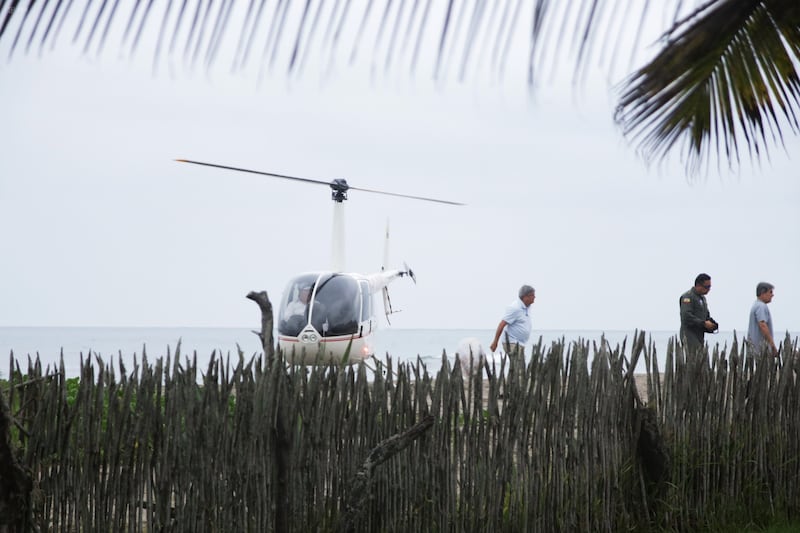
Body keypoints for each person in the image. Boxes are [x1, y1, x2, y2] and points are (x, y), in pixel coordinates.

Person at [489, 285, 536, 357]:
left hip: (520, 343)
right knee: (518, 366)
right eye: (532, 295)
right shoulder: (515, 308)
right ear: (525, 297)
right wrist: (495, 342)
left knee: (519, 366)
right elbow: (502, 324)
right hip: (512, 343)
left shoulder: (527, 307)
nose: (534, 297)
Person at [679, 273, 718, 353]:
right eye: (706, 287)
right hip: (689, 336)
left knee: (701, 359)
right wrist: (703, 323)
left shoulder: (702, 299)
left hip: (699, 336)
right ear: (698, 285)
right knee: (695, 360)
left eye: (710, 287)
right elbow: (686, 316)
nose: (708, 289)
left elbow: (706, 316)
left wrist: (712, 325)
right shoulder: (688, 297)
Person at [747, 281, 777, 355]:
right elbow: (762, 325)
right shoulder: (761, 306)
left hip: (754, 349)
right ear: (763, 293)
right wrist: (772, 345)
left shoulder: (756, 305)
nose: (772, 295)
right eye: (770, 292)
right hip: (761, 350)